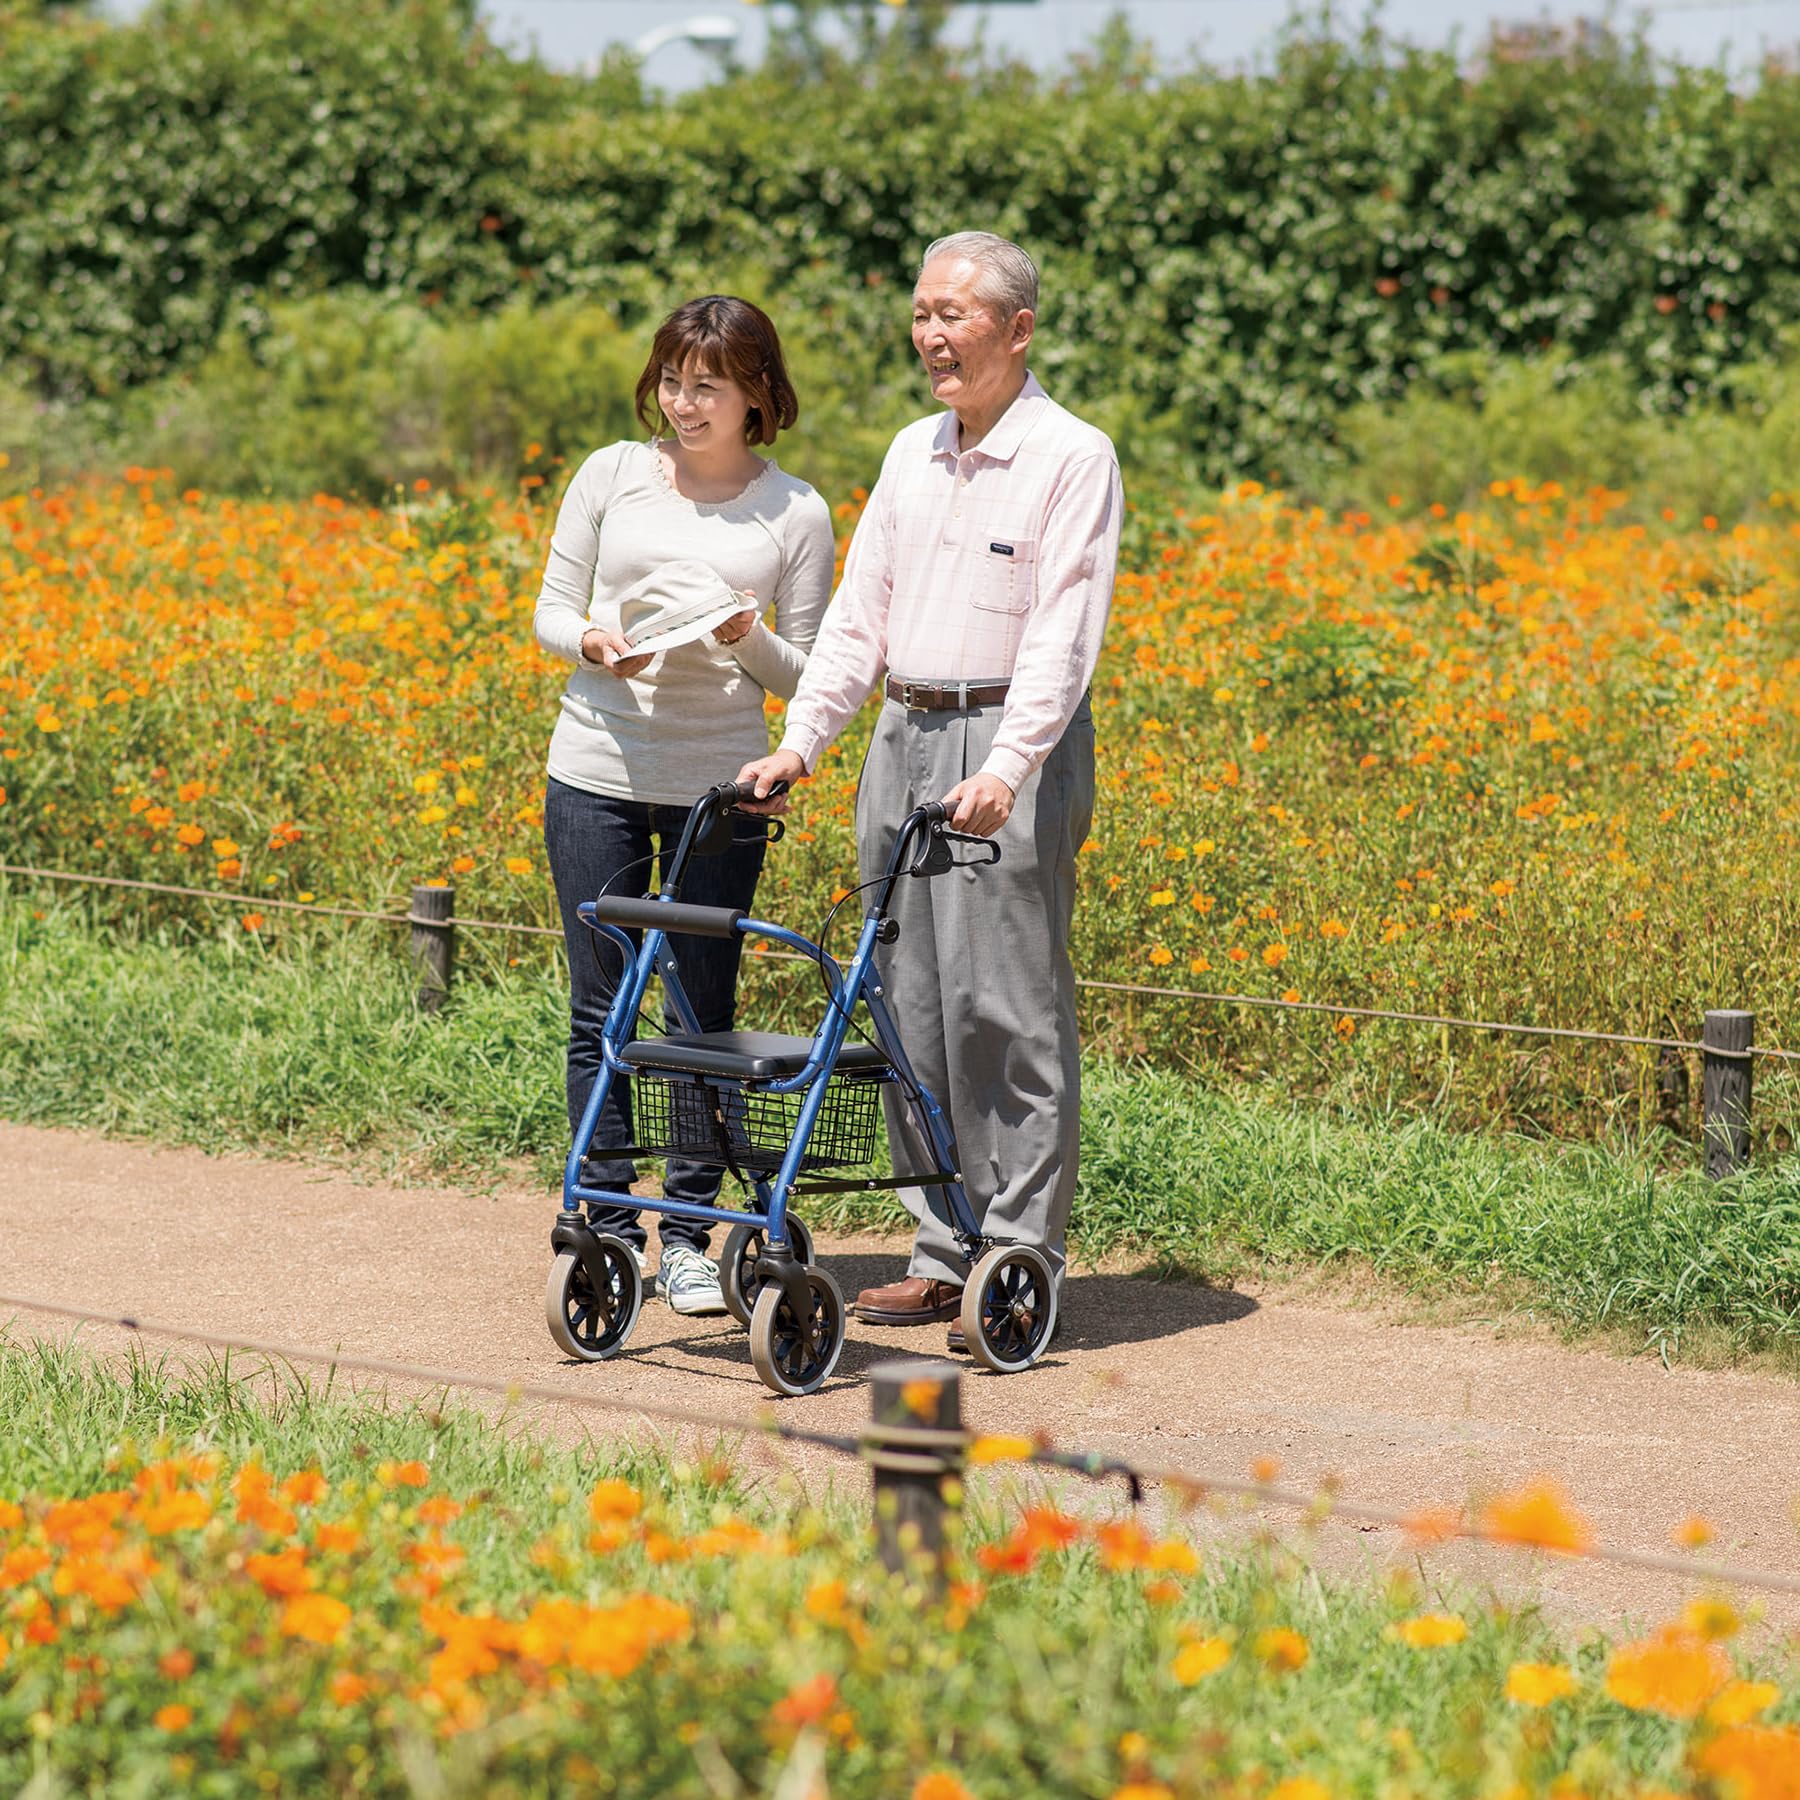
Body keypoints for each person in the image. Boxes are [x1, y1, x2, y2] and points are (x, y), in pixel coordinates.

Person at [738, 232, 1122, 1348]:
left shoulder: (1070, 454)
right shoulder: (913, 450)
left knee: (1006, 1007)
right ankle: (941, 1249)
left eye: (956, 314)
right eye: (922, 312)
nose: (934, 335)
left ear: (1017, 328)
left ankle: (1018, 1252)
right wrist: (801, 744)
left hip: (1010, 737)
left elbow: (1065, 628)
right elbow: (861, 614)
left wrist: (1011, 766)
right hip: (903, 729)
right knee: (906, 1002)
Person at [534, 295, 835, 1317]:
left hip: (723, 789)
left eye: (707, 385)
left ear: (759, 393)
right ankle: (606, 1229)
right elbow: (550, 606)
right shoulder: (612, 473)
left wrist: (744, 632)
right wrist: (592, 643)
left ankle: (693, 1236)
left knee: (702, 1016)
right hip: (596, 771)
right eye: (671, 380)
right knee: (600, 1011)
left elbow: (808, 673)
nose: (682, 402)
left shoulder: (794, 510)